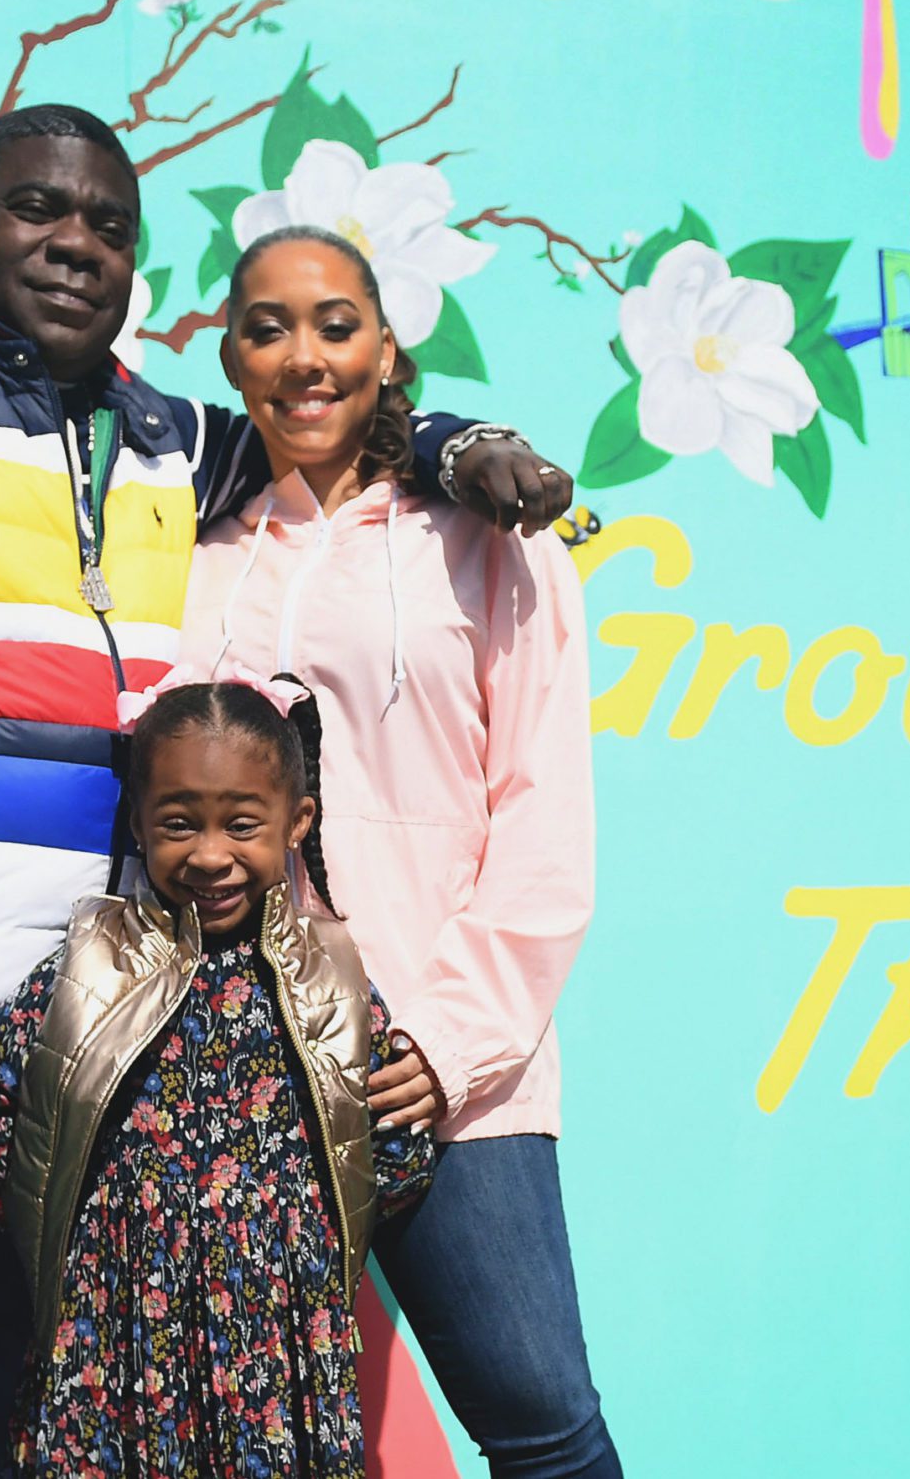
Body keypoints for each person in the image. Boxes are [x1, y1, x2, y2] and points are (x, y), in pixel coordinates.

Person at [0, 102, 574, 1474]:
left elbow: (339, 430)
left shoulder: (163, 440)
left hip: (69, 1051)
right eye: (36, 208)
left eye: (109, 227)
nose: (74, 241)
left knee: (14, 1447)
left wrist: (460, 441)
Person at [183, 225, 621, 1476]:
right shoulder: (193, 548)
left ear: (386, 348)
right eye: (268, 327)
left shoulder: (489, 537)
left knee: (544, 1429)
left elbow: (545, 817)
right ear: (231, 354)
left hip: (442, 1067)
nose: (304, 356)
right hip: (235, 1075)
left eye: (335, 324)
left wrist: (445, 1044)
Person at [0, 672, 437, 1476]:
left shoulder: (330, 974)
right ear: (138, 822)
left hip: (277, 1341)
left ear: (296, 822)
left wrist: (285, 1223)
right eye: (176, 822)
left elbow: (395, 1146)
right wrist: (89, 1214)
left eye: (241, 823)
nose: (208, 854)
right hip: (118, 1334)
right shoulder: (91, 963)